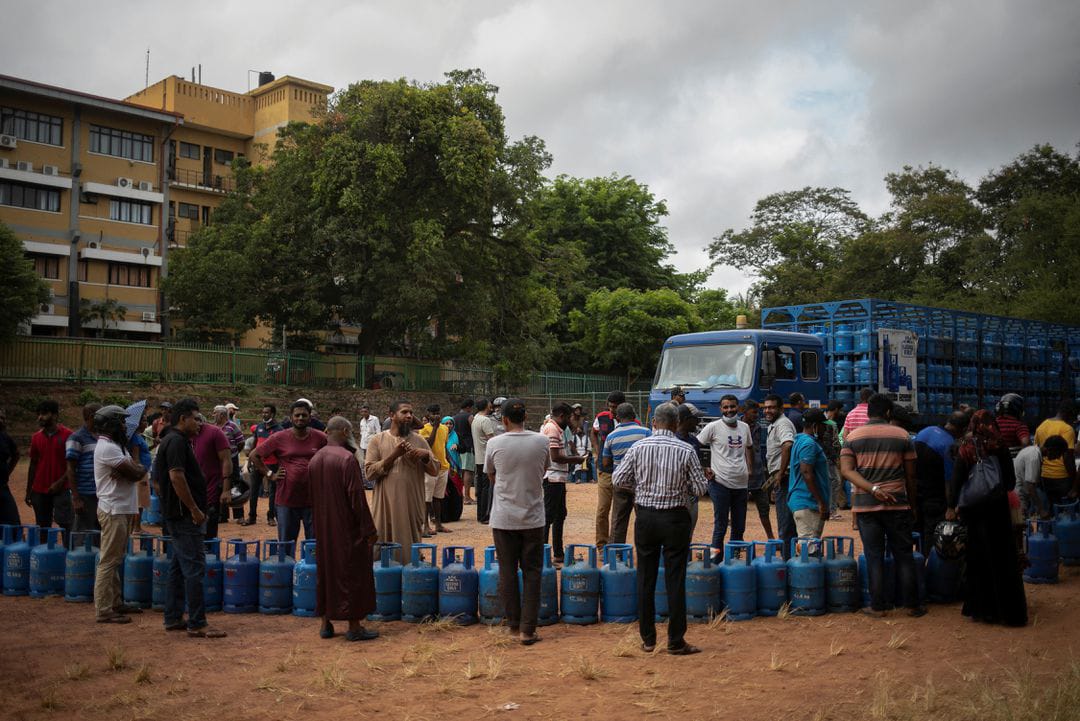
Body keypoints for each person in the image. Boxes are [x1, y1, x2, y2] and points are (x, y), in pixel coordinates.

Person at [613, 402, 708, 655]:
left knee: (646, 577)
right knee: (675, 579)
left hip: (646, 517)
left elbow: (618, 479)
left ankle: (648, 639)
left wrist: (640, 489)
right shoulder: (686, 450)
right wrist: (682, 488)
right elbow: (700, 489)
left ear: (654, 422)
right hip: (676, 518)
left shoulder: (638, 447)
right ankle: (676, 640)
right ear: (676, 424)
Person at [840, 393, 925, 618]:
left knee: (874, 555)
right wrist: (913, 505)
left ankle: (878, 606)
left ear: (868, 412)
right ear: (888, 413)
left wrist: (873, 489)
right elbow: (911, 475)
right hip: (898, 504)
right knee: (904, 555)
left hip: (866, 506)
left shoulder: (853, 437)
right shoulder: (902, 435)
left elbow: (847, 471)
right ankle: (912, 606)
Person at [946, 410, 1027, 626]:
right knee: (1003, 558)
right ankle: (1008, 612)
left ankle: (983, 611)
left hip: (973, 511)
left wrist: (951, 506)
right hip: (997, 511)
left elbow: (956, 481)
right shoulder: (999, 446)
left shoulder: (965, 447)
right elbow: (1010, 482)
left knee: (978, 559)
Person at [156, 399, 226, 638]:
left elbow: (157, 480)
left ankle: (173, 617)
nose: (199, 423)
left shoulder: (172, 441)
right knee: (194, 568)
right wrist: (194, 509)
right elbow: (176, 477)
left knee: (177, 568)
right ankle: (197, 622)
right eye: (195, 418)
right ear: (182, 418)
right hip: (185, 517)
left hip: (176, 515)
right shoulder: (176, 442)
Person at [485, 398, 551, 645]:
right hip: (533, 518)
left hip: (504, 518)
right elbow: (543, 471)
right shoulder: (541, 441)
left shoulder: (494, 443)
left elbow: (491, 475)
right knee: (533, 573)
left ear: (503, 420)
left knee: (507, 571)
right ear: (526, 417)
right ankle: (528, 630)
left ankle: (513, 626)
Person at [308, 417, 378, 641]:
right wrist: (368, 529)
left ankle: (325, 624)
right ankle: (354, 626)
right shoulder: (347, 459)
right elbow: (357, 498)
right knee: (352, 573)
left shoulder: (315, 459)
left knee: (326, 571)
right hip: (346, 527)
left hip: (322, 526)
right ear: (347, 430)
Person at [91, 405, 146, 624]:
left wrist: (134, 468)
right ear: (112, 424)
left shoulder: (115, 446)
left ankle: (115, 602)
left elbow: (135, 469)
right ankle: (104, 609)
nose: (125, 425)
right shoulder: (108, 448)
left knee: (114, 559)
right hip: (113, 509)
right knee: (108, 560)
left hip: (120, 508)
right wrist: (135, 468)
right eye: (122, 422)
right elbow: (135, 474)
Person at [365, 400, 437, 564]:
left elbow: (434, 470)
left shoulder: (419, 441)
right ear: (391, 415)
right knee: (381, 545)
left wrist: (425, 456)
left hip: (411, 505)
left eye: (411, 413)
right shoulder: (377, 440)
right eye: (404, 412)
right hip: (385, 506)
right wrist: (394, 455)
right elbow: (369, 473)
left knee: (409, 549)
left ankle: (410, 579)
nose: (409, 416)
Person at [251, 401, 327, 544]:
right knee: (286, 544)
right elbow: (254, 456)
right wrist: (270, 475)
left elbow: (333, 454)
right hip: (287, 499)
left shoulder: (320, 437)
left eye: (304, 415)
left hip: (314, 500)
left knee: (315, 546)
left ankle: (313, 567)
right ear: (291, 418)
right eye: (297, 415)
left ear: (310, 417)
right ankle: (288, 566)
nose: (300, 418)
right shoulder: (279, 437)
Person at [697, 394, 753, 559]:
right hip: (719, 482)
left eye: (732, 407)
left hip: (741, 484)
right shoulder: (713, 427)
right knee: (720, 525)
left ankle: (734, 560)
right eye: (726, 407)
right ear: (721, 409)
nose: (729, 410)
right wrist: (704, 467)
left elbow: (749, 447)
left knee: (739, 526)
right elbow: (696, 445)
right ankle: (716, 562)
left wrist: (750, 468)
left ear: (738, 407)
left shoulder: (745, 427)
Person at [913, 411, 969, 553]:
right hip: (935, 498)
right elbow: (949, 481)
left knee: (918, 531)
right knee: (931, 535)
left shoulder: (924, 431)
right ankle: (927, 565)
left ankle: (918, 563)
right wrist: (951, 507)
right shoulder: (949, 444)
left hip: (915, 493)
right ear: (961, 430)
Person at [542, 403, 586, 564]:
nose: (569, 420)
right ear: (561, 416)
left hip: (557, 477)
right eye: (568, 417)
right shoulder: (552, 429)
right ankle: (545, 555)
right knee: (548, 516)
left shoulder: (556, 428)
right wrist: (576, 459)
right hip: (552, 478)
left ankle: (558, 553)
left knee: (560, 515)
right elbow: (555, 457)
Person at [603, 403, 651, 545]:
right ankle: (645, 550)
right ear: (634, 415)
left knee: (618, 520)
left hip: (620, 482)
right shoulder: (646, 432)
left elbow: (605, 463)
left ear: (617, 417)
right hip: (641, 483)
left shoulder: (611, 436)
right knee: (643, 518)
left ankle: (616, 554)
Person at [26, 399, 73, 537]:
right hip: (40, 490)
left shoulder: (68, 435)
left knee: (66, 524)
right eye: (39, 414)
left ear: (55, 415)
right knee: (42, 527)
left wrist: (60, 482)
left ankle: (67, 554)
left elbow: (72, 464)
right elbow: (33, 464)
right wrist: (29, 490)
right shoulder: (36, 438)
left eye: (44, 413)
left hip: (62, 489)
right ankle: (43, 556)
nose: (40, 417)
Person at [787, 408, 830, 538]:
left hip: (805, 501)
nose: (825, 429)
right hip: (808, 502)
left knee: (808, 548)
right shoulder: (808, 443)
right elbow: (806, 472)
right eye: (823, 426)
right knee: (809, 550)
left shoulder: (800, 440)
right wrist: (821, 502)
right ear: (815, 426)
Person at [763, 394, 796, 556]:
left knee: (785, 522)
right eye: (766, 407)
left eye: (772, 407)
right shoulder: (773, 425)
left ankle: (787, 561)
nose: (768, 410)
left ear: (781, 409)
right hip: (780, 477)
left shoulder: (783, 423)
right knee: (785, 521)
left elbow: (788, 445)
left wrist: (781, 473)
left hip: (785, 477)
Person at [592, 391, 625, 549]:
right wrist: (597, 450)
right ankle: (601, 545)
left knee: (619, 513)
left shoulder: (633, 421)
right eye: (610, 406)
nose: (612, 409)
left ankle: (615, 546)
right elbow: (594, 432)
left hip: (624, 472)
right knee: (603, 510)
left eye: (615, 406)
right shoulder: (601, 417)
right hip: (605, 470)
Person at [191, 414, 231, 541]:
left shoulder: (215, 433)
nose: (197, 423)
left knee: (208, 531)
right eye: (193, 420)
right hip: (191, 492)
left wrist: (226, 489)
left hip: (211, 490)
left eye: (198, 419)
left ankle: (210, 555)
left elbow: (226, 460)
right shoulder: (184, 435)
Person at [1033, 401, 1078, 506]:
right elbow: (1068, 457)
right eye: (1073, 417)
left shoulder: (1041, 426)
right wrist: (1074, 481)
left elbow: (1037, 452)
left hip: (1044, 476)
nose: (1073, 421)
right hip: (1062, 477)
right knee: (1065, 511)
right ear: (1068, 414)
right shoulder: (1067, 429)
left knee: (1051, 510)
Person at [66, 403, 102, 533]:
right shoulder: (76, 438)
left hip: (101, 494)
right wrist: (76, 498)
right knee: (83, 533)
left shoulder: (102, 437)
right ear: (92, 416)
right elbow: (70, 469)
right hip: (85, 495)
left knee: (99, 532)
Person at [243, 404, 281, 527]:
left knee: (272, 491)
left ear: (273, 414)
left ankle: (271, 517)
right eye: (263, 412)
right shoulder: (259, 427)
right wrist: (250, 460)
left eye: (267, 412)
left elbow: (281, 448)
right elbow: (254, 445)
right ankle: (252, 517)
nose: (264, 414)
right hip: (258, 464)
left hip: (272, 464)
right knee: (253, 490)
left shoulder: (279, 429)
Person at [742, 400, 774, 539]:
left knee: (764, 508)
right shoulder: (737, 426)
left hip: (758, 474)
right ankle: (738, 540)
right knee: (739, 511)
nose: (757, 415)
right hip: (742, 475)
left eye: (757, 412)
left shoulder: (758, 427)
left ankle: (771, 537)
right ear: (745, 412)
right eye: (754, 412)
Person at [674, 403, 706, 535]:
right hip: (676, 496)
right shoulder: (673, 440)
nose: (698, 422)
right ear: (686, 420)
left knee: (688, 532)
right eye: (695, 419)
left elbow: (696, 465)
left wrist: (704, 469)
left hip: (692, 496)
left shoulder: (693, 440)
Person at [419, 404, 451, 535]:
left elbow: (444, 446)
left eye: (437, 413)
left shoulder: (445, 428)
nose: (435, 415)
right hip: (429, 467)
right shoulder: (423, 429)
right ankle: (425, 526)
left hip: (443, 466)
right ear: (428, 414)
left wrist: (449, 462)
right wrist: (435, 428)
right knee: (427, 498)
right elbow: (428, 444)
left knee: (438, 497)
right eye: (433, 413)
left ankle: (438, 524)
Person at [213, 405, 245, 523]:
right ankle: (223, 515)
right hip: (218, 461)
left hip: (232, 460)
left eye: (215, 413)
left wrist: (234, 453)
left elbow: (241, 442)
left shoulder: (232, 426)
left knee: (235, 486)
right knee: (221, 486)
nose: (213, 415)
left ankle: (239, 515)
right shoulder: (215, 427)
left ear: (221, 414)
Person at [471, 398, 501, 524]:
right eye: (490, 405)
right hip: (486, 458)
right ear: (486, 406)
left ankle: (481, 514)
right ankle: (485, 515)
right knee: (487, 489)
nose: (491, 407)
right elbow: (492, 439)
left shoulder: (475, 419)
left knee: (482, 488)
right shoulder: (485, 420)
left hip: (479, 457)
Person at [819, 401, 843, 519]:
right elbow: (834, 443)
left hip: (821, 456)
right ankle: (831, 510)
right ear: (836, 410)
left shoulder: (819, 419)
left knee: (826, 483)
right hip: (829, 457)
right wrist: (836, 457)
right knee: (835, 482)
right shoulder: (831, 423)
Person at [451, 399, 476, 504]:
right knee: (468, 471)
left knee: (459, 471)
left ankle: (460, 495)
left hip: (456, 446)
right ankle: (466, 496)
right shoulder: (470, 417)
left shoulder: (453, 418)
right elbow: (474, 431)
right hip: (468, 446)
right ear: (468, 407)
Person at [0, 409, 19, 526]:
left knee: (13, 522)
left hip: (2, 487)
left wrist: (7, 471)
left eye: (3, 418)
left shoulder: (5, 438)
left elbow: (16, 454)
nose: (1, 421)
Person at [357, 404, 382, 468]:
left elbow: (378, 431)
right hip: (363, 444)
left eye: (365, 411)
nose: (364, 413)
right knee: (365, 459)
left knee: (372, 459)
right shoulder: (362, 421)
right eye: (362, 412)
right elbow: (361, 432)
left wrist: (378, 443)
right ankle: (366, 471)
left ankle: (372, 469)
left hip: (372, 443)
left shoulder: (374, 419)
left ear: (369, 412)